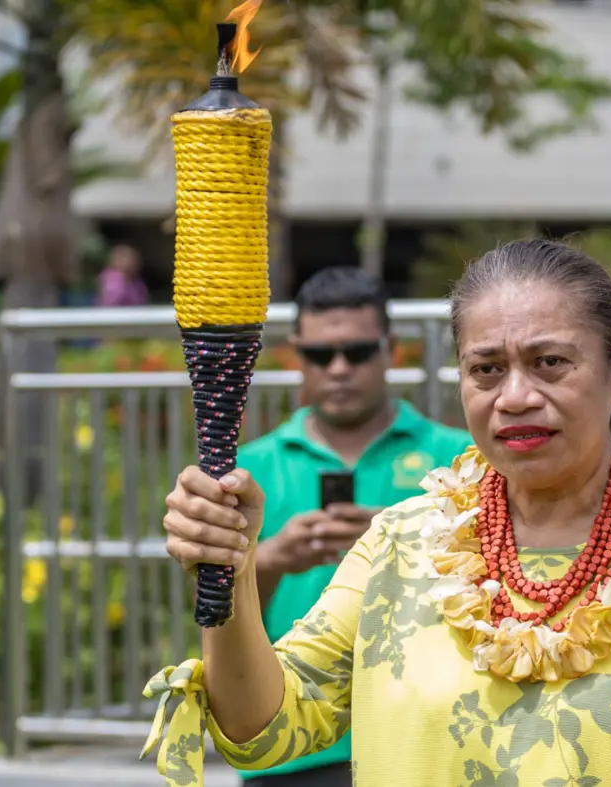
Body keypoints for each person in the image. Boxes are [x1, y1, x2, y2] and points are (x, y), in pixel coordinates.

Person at [146, 239, 611, 786]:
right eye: (486, 369)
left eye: (550, 362)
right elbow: (261, 728)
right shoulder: (404, 543)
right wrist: (230, 568)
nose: (516, 395)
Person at [231, 267, 473, 787]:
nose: (338, 368)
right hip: (291, 741)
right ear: (297, 355)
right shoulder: (249, 469)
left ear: (390, 349)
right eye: (319, 355)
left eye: (357, 352)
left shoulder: (458, 459)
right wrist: (271, 558)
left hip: (426, 738)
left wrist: (404, 544)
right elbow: (214, 617)